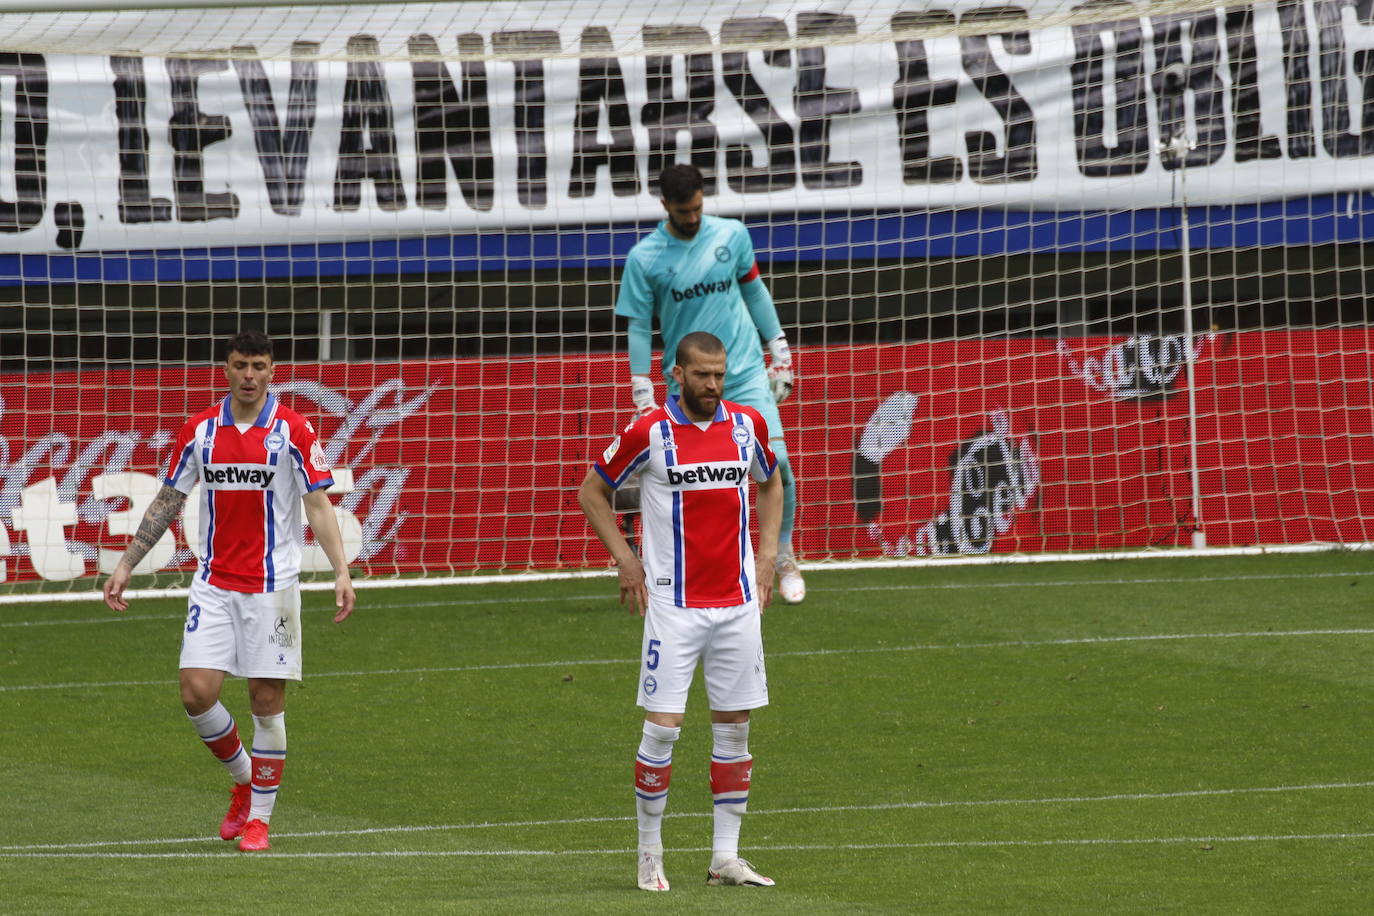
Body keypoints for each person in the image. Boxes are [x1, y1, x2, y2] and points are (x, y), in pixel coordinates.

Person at [103, 330, 356, 852]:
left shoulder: (293, 430)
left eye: (258, 365)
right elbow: (169, 498)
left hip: (272, 589)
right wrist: (127, 562)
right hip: (214, 584)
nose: (249, 375)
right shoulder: (200, 431)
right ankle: (245, 780)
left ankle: (260, 819)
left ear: (272, 370)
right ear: (225, 369)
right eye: (240, 365)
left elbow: (317, 504)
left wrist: (340, 570)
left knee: (266, 702)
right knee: (197, 692)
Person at [578, 331, 783, 892]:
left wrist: (767, 557)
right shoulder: (650, 431)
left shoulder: (747, 426)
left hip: (738, 603)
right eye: (702, 375)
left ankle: (725, 857)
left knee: (735, 728)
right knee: (663, 728)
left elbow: (773, 484)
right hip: (673, 607)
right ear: (676, 374)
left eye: (720, 375)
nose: (713, 385)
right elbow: (592, 491)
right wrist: (625, 559)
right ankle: (649, 853)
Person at [615, 163, 805, 603]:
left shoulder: (731, 235)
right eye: (684, 211)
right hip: (687, 383)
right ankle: (670, 568)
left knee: (778, 463)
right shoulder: (645, 258)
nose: (693, 217)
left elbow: (754, 290)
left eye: (698, 207)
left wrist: (778, 347)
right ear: (665, 206)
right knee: (683, 480)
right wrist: (640, 388)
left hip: (743, 373)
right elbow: (640, 328)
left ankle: (782, 555)